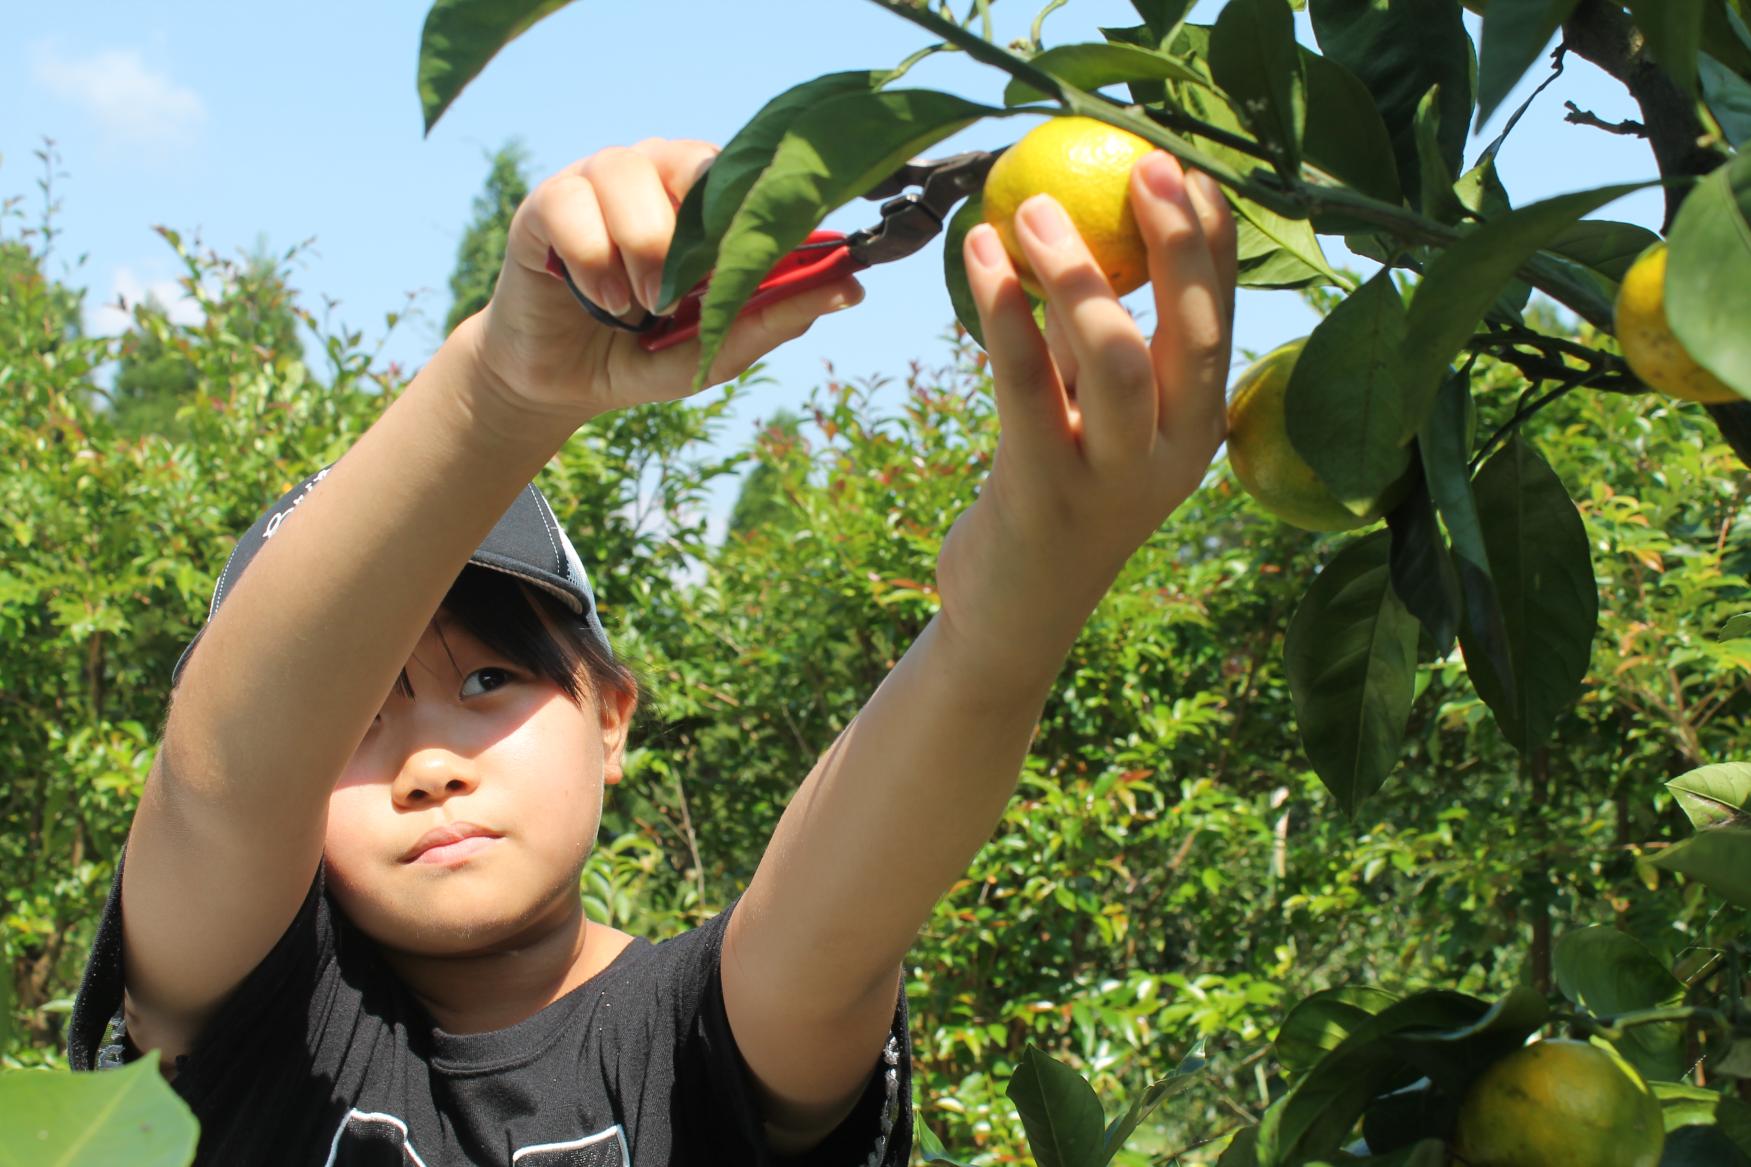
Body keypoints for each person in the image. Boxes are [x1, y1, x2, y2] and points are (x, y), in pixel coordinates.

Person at [65, 135, 1236, 1165]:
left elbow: (830, 923)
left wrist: (999, 635)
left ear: (611, 717)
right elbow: (222, 782)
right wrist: (499, 392)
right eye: (352, 724)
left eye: (488, 680)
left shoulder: (693, 1036)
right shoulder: (257, 1037)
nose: (429, 765)